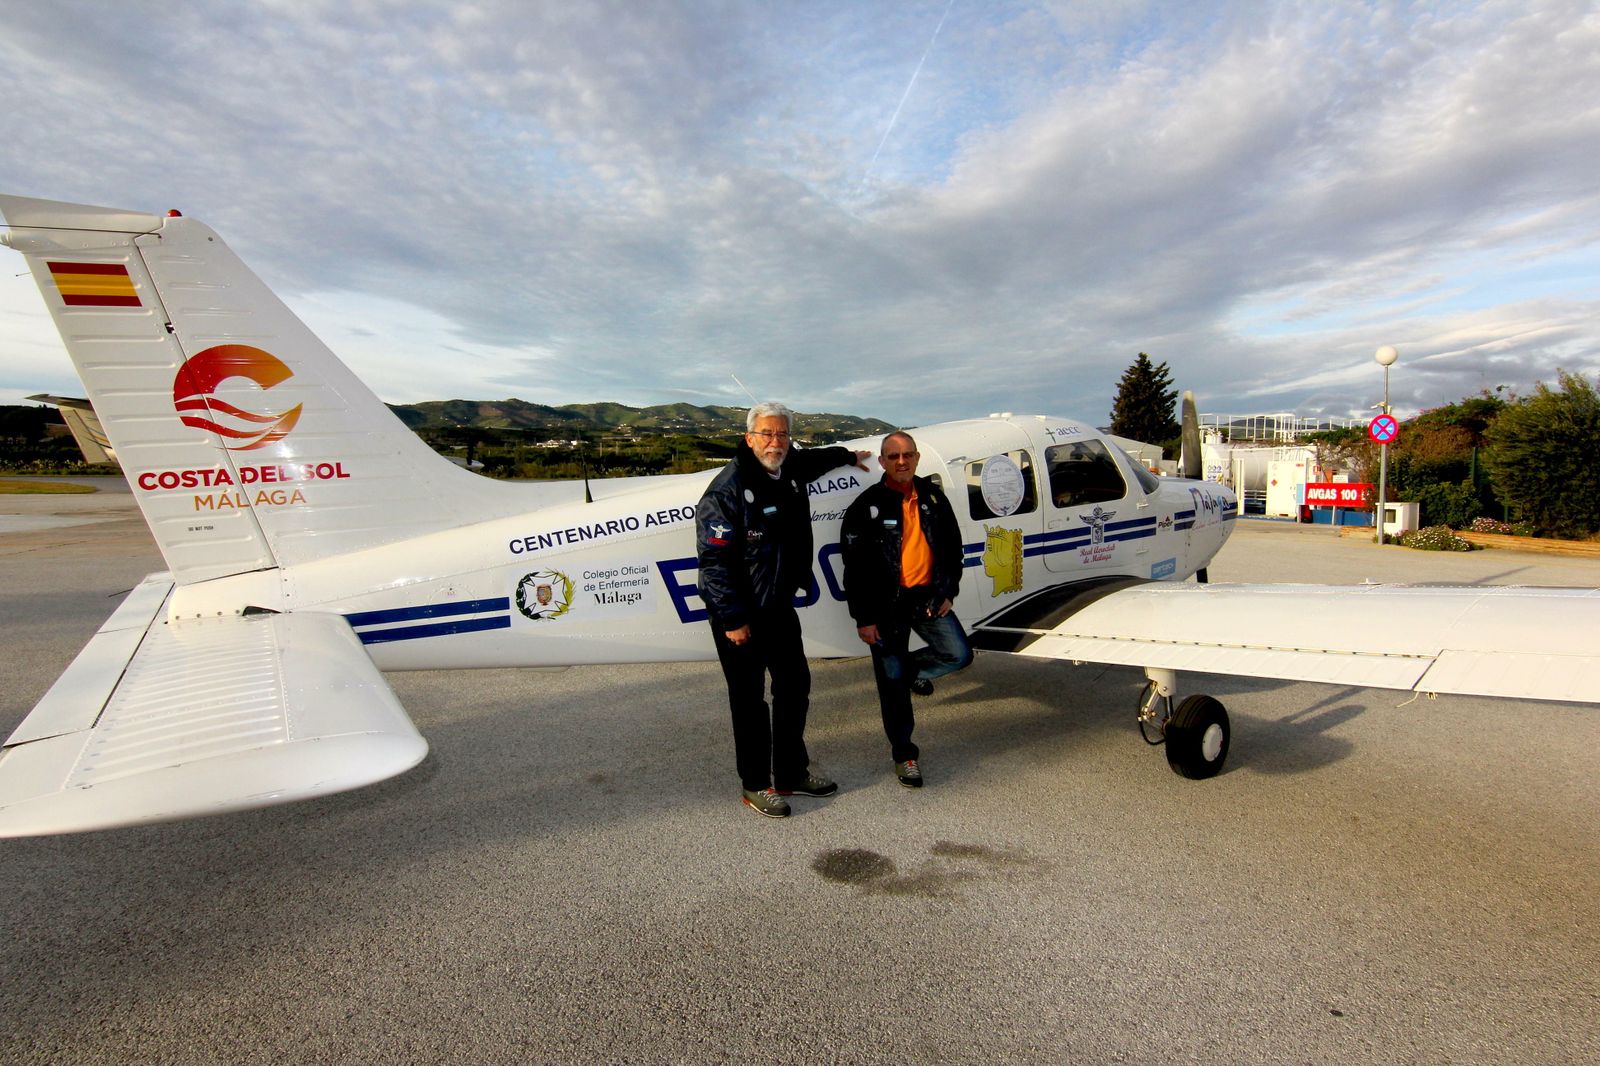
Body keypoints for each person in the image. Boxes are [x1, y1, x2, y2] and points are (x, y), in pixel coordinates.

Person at [697, 401, 870, 818]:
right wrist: (733, 620)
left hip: (777, 607)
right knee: (750, 701)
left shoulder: (787, 467)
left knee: (794, 689)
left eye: (782, 435)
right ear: (749, 438)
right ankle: (756, 784)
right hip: (740, 615)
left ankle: (792, 772)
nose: (775, 442)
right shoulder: (727, 490)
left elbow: (812, 461)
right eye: (767, 434)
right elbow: (714, 562)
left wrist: (848, 456)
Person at [841, 431, 972, 788]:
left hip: (927, 598)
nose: (902, 461)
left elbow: (952, 551)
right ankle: (905, 755)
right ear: (882, 462)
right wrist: (863, 618)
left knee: (959, 654)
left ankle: (910, 673)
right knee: (892, 688)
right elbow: (854, 569)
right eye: (893, 456)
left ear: (916, 459)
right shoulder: (865, 506)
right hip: (885, 607)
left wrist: (947, 590)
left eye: (908, 455)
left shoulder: (932, 497)